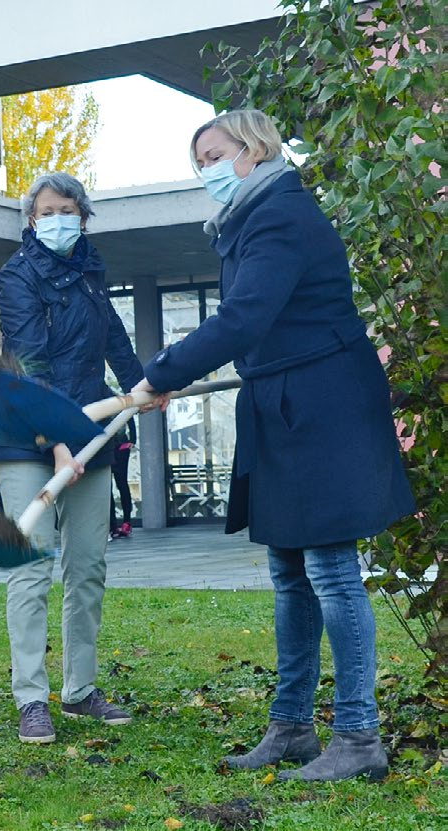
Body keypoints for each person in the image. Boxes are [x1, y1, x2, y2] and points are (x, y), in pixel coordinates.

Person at [132, 110, 414, 782]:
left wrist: (163, 371)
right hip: (285, 408)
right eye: (195, 158)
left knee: (331, 574)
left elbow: (245, 316)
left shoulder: (280, 215)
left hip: (323, 409)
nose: (204, 169)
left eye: (214, 153)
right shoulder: (247, 224)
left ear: (254, 149)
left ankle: (357, 736)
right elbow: (263, 329)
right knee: (289, 572)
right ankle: (291, 727)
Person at [0, 171, 145, 745]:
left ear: (83, 215)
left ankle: (80, 690)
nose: (58, 218)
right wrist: (56, 443)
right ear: (32, 220)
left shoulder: (91, 272)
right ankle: (31, 696)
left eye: (68, 209)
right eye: (46, 211)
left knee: (87, 567)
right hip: (26, 435)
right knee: (31, 568)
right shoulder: (17, 276)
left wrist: (143, 385)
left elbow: (114, 341)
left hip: (89, 431)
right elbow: (30, 360)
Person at [108, 417, 136, 539]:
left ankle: (126, 522)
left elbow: (130, 417)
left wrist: (132, 440)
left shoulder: (121, 398)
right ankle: (112, 525)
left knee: (121, 483)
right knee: (107, 486)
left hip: (121, 445)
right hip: (106, 447)